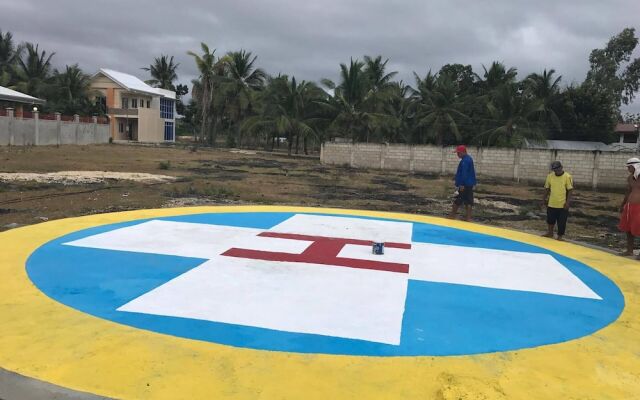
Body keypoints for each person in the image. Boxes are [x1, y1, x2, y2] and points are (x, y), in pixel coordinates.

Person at [542, 161, 573, 241]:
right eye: (554, 169)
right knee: (550, 220)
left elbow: (570, 190)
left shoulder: (567, 177)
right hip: (552, 203)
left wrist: (567, 202)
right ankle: (550, 233)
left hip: (562, 204)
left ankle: (560, 236)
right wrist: (543, 199)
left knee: (561, 222)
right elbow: (547, 188)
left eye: (557, 169)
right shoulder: (550, 176)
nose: (556, 171)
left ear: (561, 167)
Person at [618, 157, 640, 258]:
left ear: (634, 166)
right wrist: (623, 204)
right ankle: (629, 250)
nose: (628, 169)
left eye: (629, 167)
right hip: (629, 206)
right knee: (628, 229)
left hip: (638, 207)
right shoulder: (630, 178)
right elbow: (628, 192)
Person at [450, 145, 476, 221]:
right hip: (469, 184)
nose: (457, 154)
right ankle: (468, 218)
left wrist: (461, 184)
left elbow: (464, 174)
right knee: (468, 200)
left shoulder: (465, 161)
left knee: (459, 199)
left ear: (463, 152)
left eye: (458, 153)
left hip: (465, 184)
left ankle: (452, 215)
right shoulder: (468, 159)